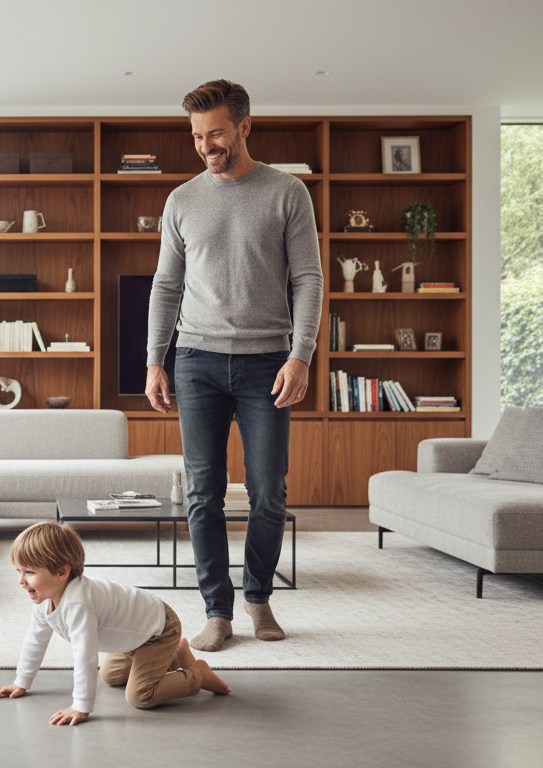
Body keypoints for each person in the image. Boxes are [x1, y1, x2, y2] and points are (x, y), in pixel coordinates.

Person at [144, 79, 323, 652]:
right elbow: (166, 284)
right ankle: (217, 610)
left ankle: (258, 599)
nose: (205, 146)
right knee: (204, 492)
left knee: (269, 490)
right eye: (197, 136)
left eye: (215, 133)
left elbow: (308, 279)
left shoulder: (287, 191)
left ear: (245, 126)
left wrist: (301, 355)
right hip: (196, 361)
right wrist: (155, 360)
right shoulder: (181, 200)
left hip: (267, 362)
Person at [0, 522, 230, 726]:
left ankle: (198, 674)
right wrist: (21, 682)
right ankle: (176, 655)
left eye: (29, 572)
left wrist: (81, 707)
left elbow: (85, 656)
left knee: (140, 696)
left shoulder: (78, 605)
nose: (21, 580)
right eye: (17, 571)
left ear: (62, 573)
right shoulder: (44, 599)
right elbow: (35, 639)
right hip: (134, 637)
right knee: (110, 675)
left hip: (160, 630)